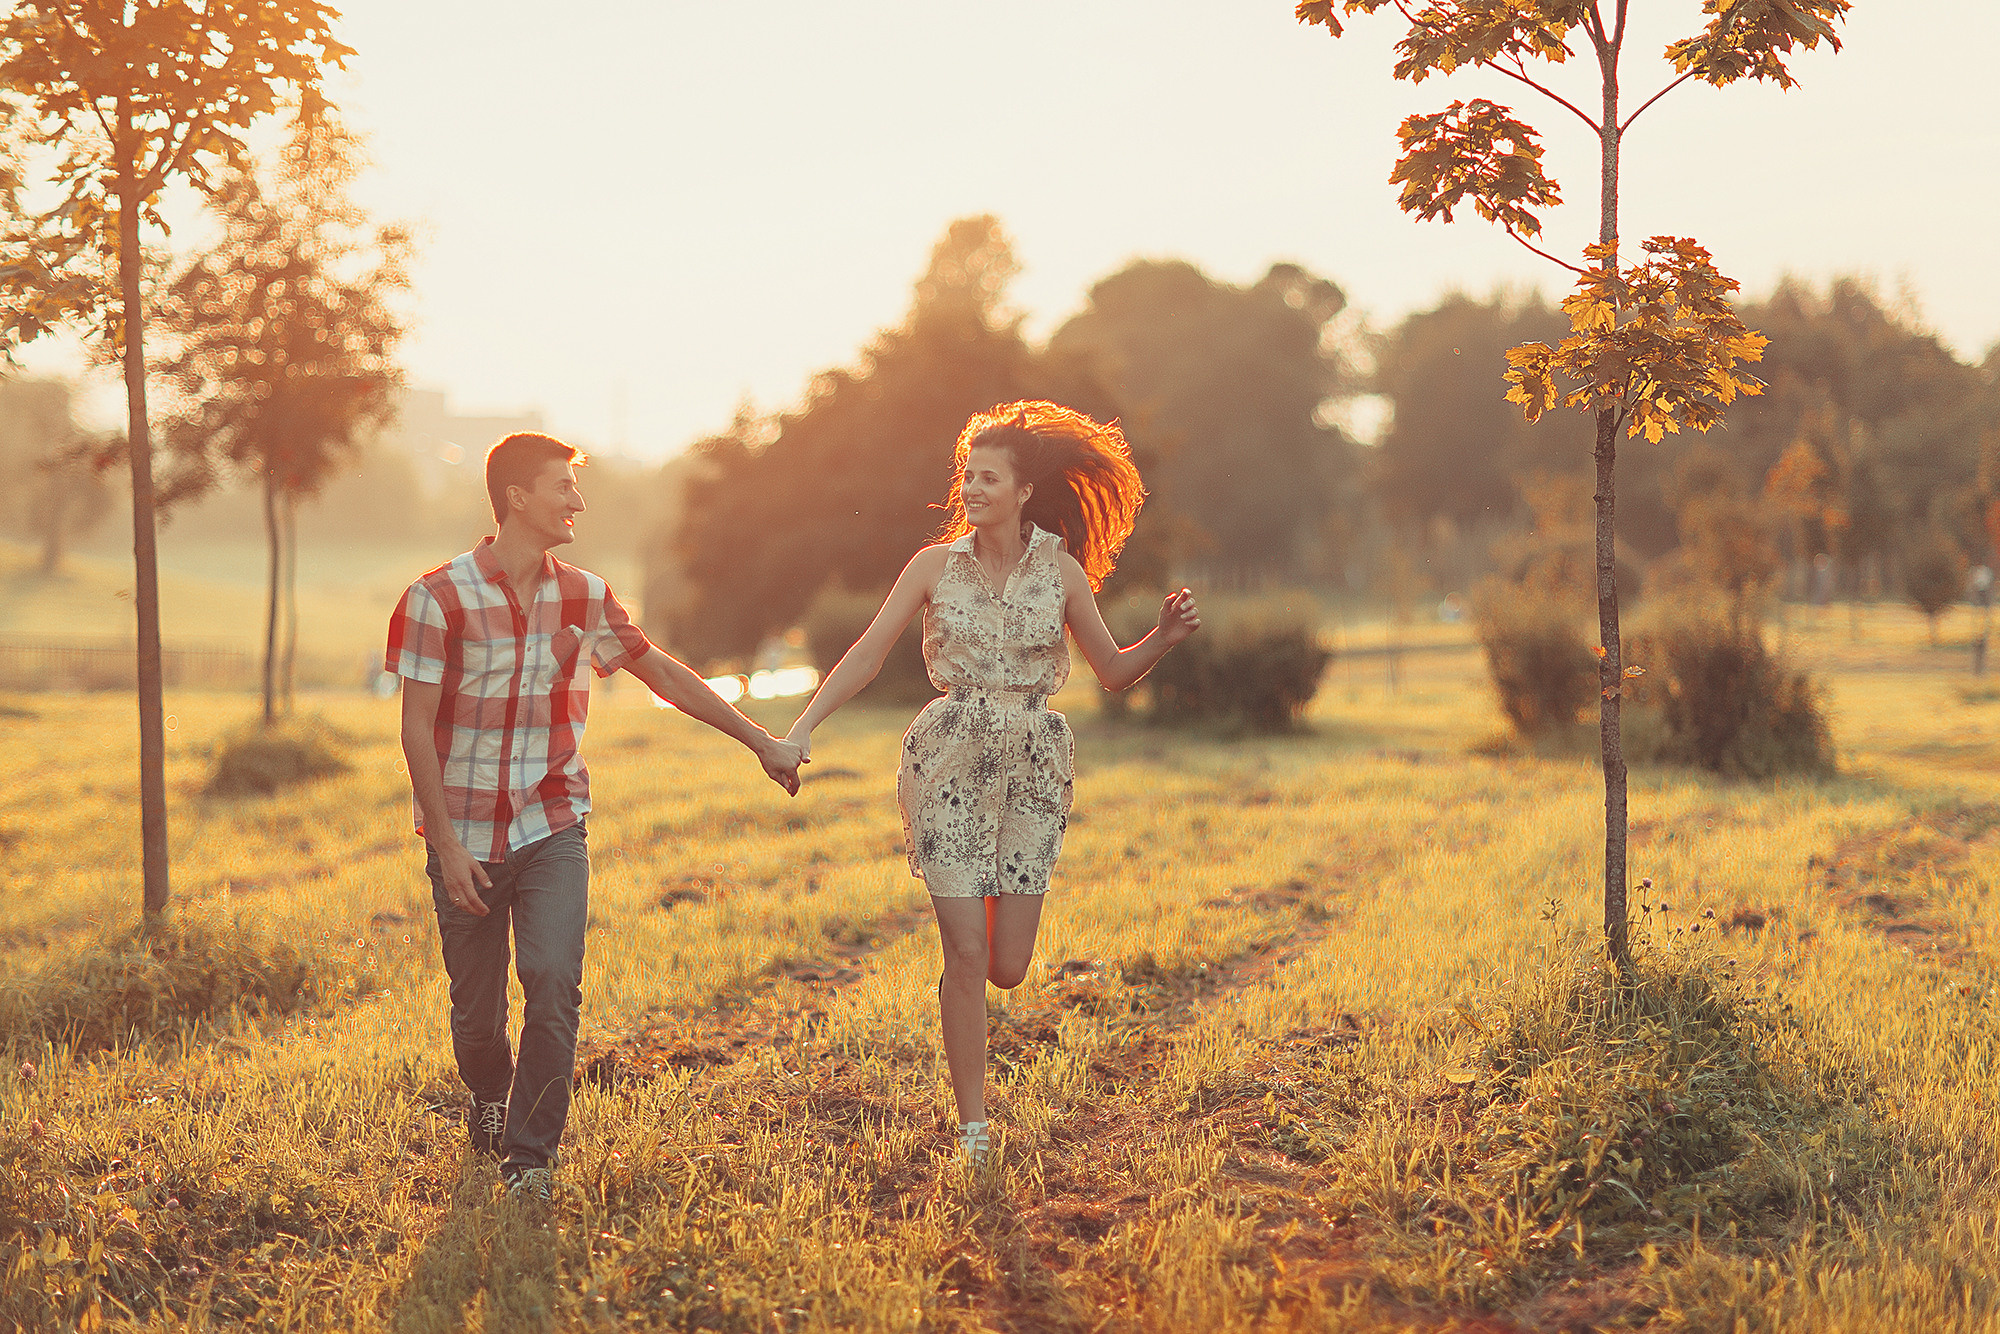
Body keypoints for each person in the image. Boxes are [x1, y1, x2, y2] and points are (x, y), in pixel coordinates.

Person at [384, 432, 803, 1200]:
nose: (578, 500)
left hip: (553, 825)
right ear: (516, 497)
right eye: (562, 487)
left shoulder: (584, 595)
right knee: (477, 1024)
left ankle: (529, 1163)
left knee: (552, 980)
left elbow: (664, 672)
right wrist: (444, 846)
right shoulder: (436, 598)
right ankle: (487, 1094)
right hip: (466, 839)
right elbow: (415, 728)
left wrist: (759, 740)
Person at [784, 401, 1200, 1165]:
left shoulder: (1062, 573)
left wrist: (1163, 641)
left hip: (1035, 765)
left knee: (1008, 966)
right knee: (968, 956)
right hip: (949, 758)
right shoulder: (933, 568)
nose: (970, 489)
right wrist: (803, 726)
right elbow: (868, 653)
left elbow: (1109, 672)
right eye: (966, 475)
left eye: (988, 477)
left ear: (1022, 491)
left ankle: (973, 918)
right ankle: (974, 1127)